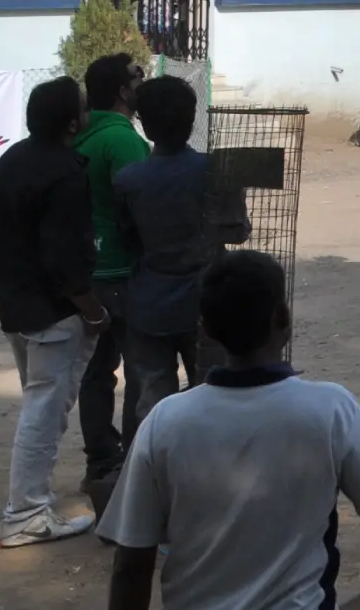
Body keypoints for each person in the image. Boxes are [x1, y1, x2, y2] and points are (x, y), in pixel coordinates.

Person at [97, 251, 360, 610]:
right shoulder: (330, 409)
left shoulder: (165, 421)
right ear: (283, 320)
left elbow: (131, 564)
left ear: (205, 328)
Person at [0, 75, 108, 546]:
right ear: (73, 121)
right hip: (52, 313)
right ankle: (26, 514)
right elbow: (66, 260)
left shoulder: (8, 163)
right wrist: (92, 311)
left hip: (17, 308)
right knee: (45, 409)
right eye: (82, 105)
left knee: (42, 406)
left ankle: (30, 505)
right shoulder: (64, 174)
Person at [113, 76, 237, 445]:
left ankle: (154, 478)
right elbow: (237, 230)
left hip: (149, 302)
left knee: (152, 401)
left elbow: (127, 238)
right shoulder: (216, 169)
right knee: (215, 396)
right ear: (193, 120)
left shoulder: (128, 179)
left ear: (145, 125)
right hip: (208, 301)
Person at [74, 53, 147, 492]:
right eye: (137, 77)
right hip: (122, 269)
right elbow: (137, 205)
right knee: (140, 371)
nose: (144, 82)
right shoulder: (121, 140)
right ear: (122, 91)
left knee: (95, 374)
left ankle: (100, 463)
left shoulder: (80, 133)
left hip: (88, 272)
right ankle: (132, 470)